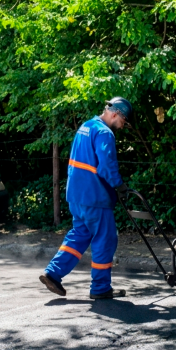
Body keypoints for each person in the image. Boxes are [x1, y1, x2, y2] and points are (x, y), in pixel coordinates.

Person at [39, 97, 133, 299]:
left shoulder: (86, 126)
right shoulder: (104, 133)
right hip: (95, 196)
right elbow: (106, 166)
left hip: (76, 195)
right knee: (105, 239)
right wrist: (120, 186)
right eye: (123, 121)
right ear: (116, 114)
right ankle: (100, 288)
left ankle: (53, 273)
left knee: (80, 235)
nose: (122, 126)